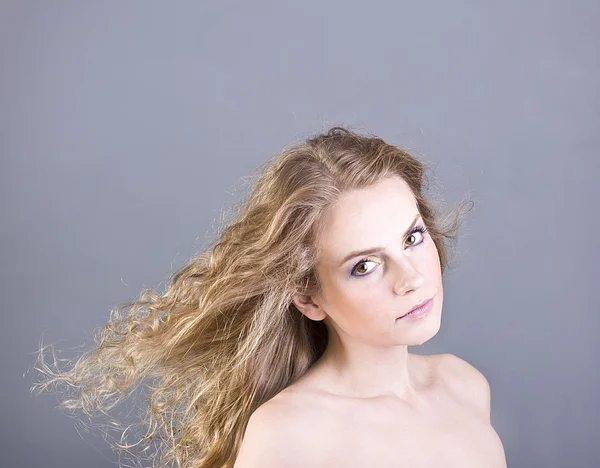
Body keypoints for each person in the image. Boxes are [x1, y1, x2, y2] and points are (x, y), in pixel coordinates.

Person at [31, 126, 507, 467]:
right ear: (308, 298)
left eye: (412, 238)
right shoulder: (289, 435)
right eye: (364, 265)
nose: (411, 278)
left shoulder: (464, 387)